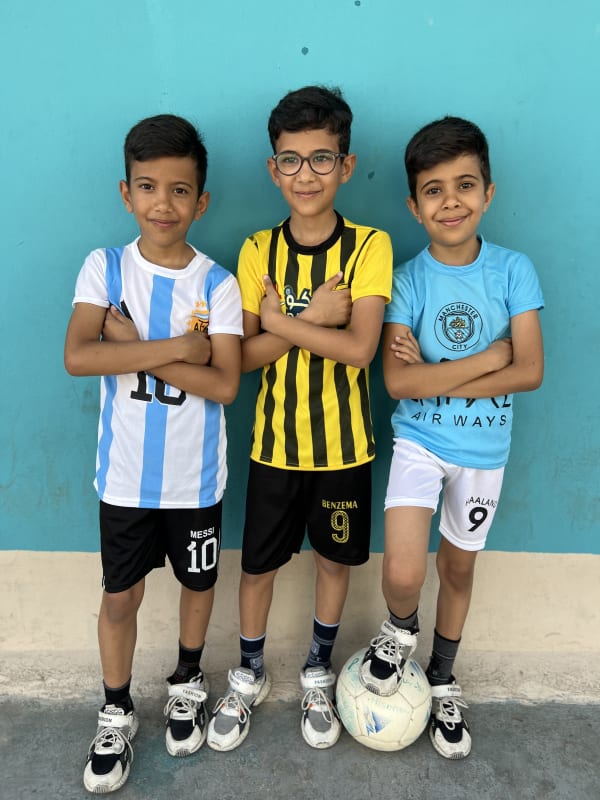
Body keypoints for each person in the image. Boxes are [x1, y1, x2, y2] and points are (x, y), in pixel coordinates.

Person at [206, 86, 393, 752]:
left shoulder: (369, 246)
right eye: (290, 160)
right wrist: (312, 319)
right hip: (274, 448)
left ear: (346, 165)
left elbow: (360, 349)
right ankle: (250, 671)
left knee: (334, 563)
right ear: (273, 168)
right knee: (257, 566)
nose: (305, 174)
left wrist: (280, 322)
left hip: (344, 451)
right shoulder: (257, 249)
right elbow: (242, 357)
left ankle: (317, 669)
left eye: (321, 159)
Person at [64, 114, 243, 793]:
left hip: (194, 480)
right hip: (125, 482)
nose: (162, 203)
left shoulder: (217, 284)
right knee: (121, 596)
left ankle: (187, 681)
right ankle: (115, 708)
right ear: (126, 193)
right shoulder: (105, 268)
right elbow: (80, 355)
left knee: (198, 585)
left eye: (179, 190)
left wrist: (132, 347)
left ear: (202, 201)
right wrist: (175, 348)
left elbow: (223, 384)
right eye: (147, 187)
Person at [359, 116, 544, 759]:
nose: (451, 201)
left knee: (458, 568)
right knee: (404, 570)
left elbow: (530, 370)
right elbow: (397, 383)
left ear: (488, 192)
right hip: (420, 442)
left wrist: (435, 374)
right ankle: (399, 630)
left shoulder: (514, 271)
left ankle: (442, 676)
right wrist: (488, 359)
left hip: (484, 451)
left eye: (465, 185)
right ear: (414, 206)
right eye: (433, 190)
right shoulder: (407, 280)